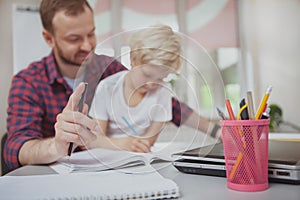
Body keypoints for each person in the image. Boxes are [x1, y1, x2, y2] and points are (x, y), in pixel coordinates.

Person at [4, 0, 220, 171]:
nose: (88, 45)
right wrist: (56, 145)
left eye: (91, 33)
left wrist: (215, 130)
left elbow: (168, 105)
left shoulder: (108, 69)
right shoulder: (29, 82)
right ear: (49, 38)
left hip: (108, 172)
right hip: (54, 180)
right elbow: (16, 148)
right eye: (74, 39)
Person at [88, 25, 182, 152]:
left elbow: (149, 140)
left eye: (160, 78)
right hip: (107, 158)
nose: (151, 84)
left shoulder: (163, 91)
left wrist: (138, 144)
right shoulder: (107, 88)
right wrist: (122, 144)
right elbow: (94, 140)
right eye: (147, 75)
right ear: (133, 59)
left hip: (139, 159)